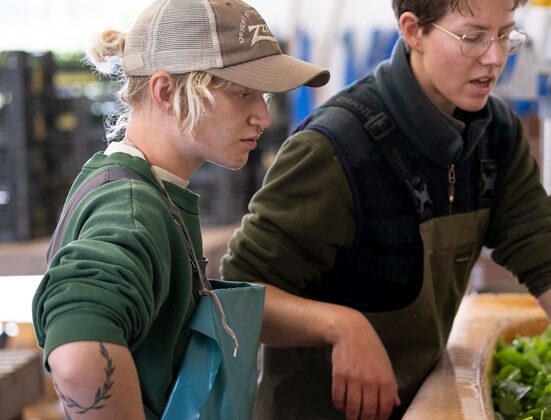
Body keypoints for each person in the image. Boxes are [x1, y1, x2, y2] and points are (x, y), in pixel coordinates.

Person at [221, 0, 551, 418]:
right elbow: (238, 296)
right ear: (413, 31)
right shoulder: (336, 149)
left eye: (506, 35)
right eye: (473, 37)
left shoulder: (497, 136)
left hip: (423, 402)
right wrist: (340, 325)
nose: (494, 58)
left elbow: (549, 259)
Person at [31, 0, 332, 418]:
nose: (262, 115)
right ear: (166, 92)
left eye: (262, 95)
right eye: (243, 93)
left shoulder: (141, 187)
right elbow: (77, 354)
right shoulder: (133, 210)